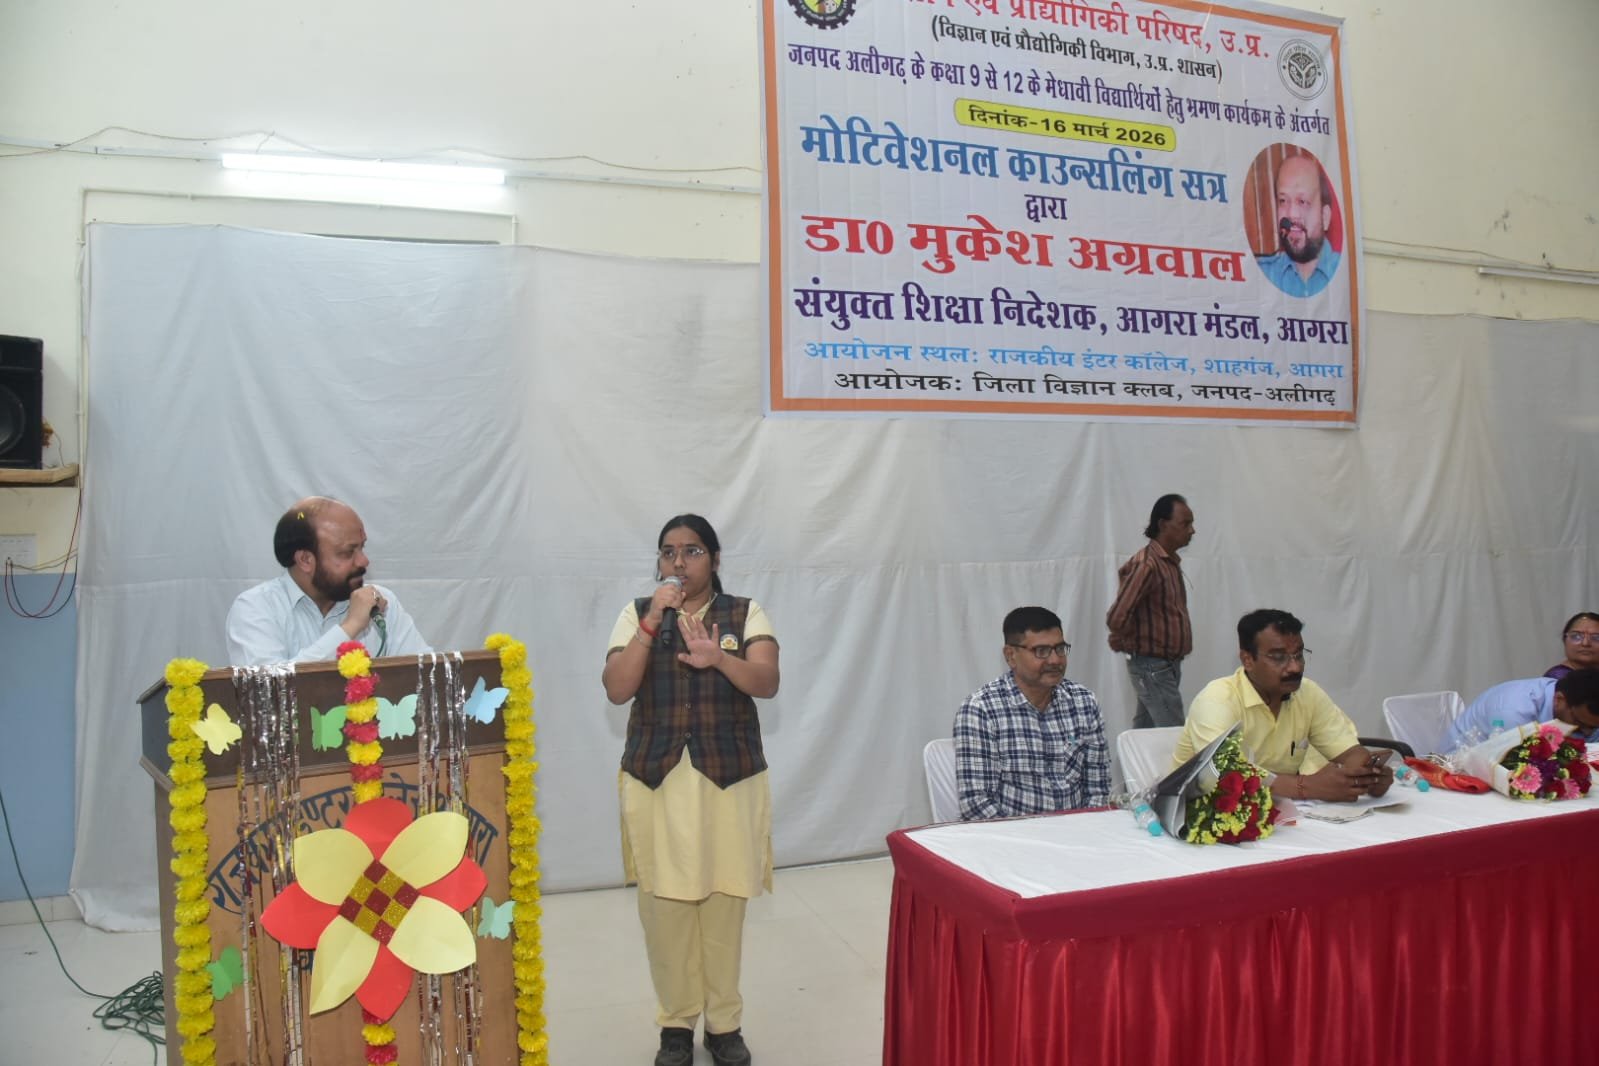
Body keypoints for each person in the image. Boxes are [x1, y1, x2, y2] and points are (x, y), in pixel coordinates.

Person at [601, 514, 779, 1066]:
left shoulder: (744, 612)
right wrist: (654, 619)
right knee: (665, 909)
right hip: (656, 779)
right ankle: (675, 1023)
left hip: (729, 779)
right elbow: (616, 688)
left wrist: (720, 658)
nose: (679, 563)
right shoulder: (635, 614)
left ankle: (724, 1025)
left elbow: (767, 682)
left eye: (693, 551)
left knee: (725, 903)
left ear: (715, 560)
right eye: (669, 552)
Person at [1171, 609, 1392, 801]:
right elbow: (1224, 776)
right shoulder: (1218, 699)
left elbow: (1349, 751)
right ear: (1247, 660)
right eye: (1279, 657)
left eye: (1299, 655)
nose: (1295, 667)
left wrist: (1368, 775)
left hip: (1278, 815)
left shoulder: (1308, 693)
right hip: (1198, 815)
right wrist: (1307, 786)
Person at [225, 496, 430, 665]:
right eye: (348, 552)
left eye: (362, 547)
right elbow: (271, 694)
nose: (363, 560)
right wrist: (351, 626)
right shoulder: (256, 608)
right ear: (305, 560)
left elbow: (425, 677)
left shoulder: (381, 603)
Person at [954, 606, 1110, 820]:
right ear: (1011, 655)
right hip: (1008, 841)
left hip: (1076, 835)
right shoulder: (981, 710)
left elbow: (1097, 790)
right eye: (1041, 651)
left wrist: (1081, 833)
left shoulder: (1084, 702)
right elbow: (977, 804)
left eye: (1060, 649)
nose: (1055, 660)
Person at [1106, 494, 1194, 729]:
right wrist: (1123, 637)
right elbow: (1117, 615)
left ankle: (1136, 766)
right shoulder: (1147, 565)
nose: (1192, 530)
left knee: (1146, 730)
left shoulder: (1167, 562)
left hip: (1164, 665)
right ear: (1163, 524)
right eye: (1185, 523)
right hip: (1153, 666)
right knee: (1172, 730)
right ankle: (1172, 768)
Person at [1442, 668, 1599, 751]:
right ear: (1559, 700)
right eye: (1578, 723)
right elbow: (1513, 764)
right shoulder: (1514, 709)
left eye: (1593, 728)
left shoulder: (1581, 709)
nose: (1586, 733)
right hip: (1460, 770)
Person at [1255, 154, 1341, 298]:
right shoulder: (1260, 274)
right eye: (1283, 201)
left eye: (1302, 201)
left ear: (1325, 217)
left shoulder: (1346, 272)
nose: (1292, 214)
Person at [1544, 611, 1599, 680]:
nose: (1585, 643)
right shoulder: (1557, 677)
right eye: (1576, 636)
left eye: (1596, 637)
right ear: (1564, 640)